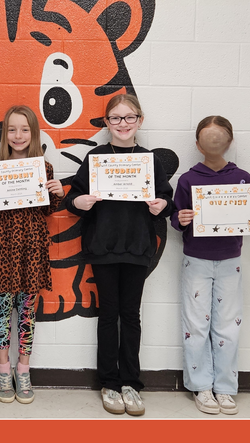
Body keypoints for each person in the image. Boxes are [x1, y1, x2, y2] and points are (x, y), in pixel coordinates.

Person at [62, 94, 173, 416]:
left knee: (131, 316)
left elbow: (166, 200)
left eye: (129, 117)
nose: (122, 124)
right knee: (109, 316)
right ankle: (109, 382)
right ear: (106, 122)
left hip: (138, 247)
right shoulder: (96, 157)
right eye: (115, 118)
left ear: (140, 120)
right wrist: (78, 203)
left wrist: (162, 205)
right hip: (103, 248)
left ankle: (131, 383)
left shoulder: (150, 161)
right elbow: (73, 199)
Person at [171, 116, 250, 415]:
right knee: (196, 325)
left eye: (220, 137)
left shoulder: (242, 177)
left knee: (229, 325)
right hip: (197, 260)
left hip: (231, 260)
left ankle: (226, 388)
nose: (214, 141)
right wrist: (181, 218)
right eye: (208, 137)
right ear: (197, 143)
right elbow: (175, 220)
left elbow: (248, 218)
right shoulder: (188, 179)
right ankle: (201, 387)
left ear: (229, 141)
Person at [0, 105, 65, 404]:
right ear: (5, 135)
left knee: (27, 313)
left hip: (33, 247)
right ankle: (3, 372)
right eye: (12, 129)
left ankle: (23, 371)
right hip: (3, 246)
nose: (18, 135)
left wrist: (57, 193)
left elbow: (48, 210)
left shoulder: (44, 167)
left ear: (34, 133)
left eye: (24, 129)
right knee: (2, 312)